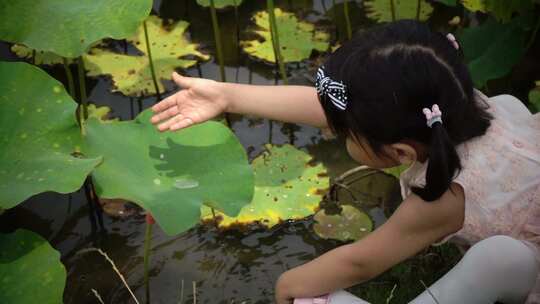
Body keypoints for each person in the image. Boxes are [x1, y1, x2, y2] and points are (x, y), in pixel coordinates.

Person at [150, 20, 540, 304]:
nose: (335, 133)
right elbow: (333, 108)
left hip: (521, 265)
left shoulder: (447, 195)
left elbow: (360, 263)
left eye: (345, 134)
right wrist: (226, 96)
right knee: (511, 105)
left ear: (401, 153)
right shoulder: (452, 102)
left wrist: (288, 283)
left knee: (499, 259)